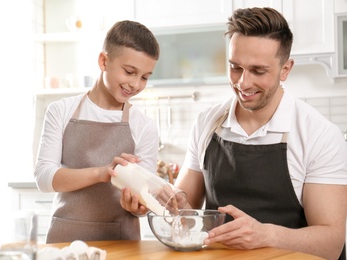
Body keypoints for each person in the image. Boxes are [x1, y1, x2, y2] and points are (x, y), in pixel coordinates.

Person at [120, 7, 347, 260]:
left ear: (285, 69)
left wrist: (266, 235)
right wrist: (150, 199)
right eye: (235, 67)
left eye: (258, 71)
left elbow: (331, 243)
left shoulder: (319, 135)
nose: (243, 83)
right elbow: (183, 212)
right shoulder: (207, 123)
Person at [34, 20, 160, 243]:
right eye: (129, 72)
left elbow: (144, 200)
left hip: (121, 243)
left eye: (144, 77)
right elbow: (44, 178)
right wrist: (102, 173)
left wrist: (137, 206)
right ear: (104, 61)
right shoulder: (61, 111)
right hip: (65, 241)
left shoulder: (144, 126)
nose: (135, 84)